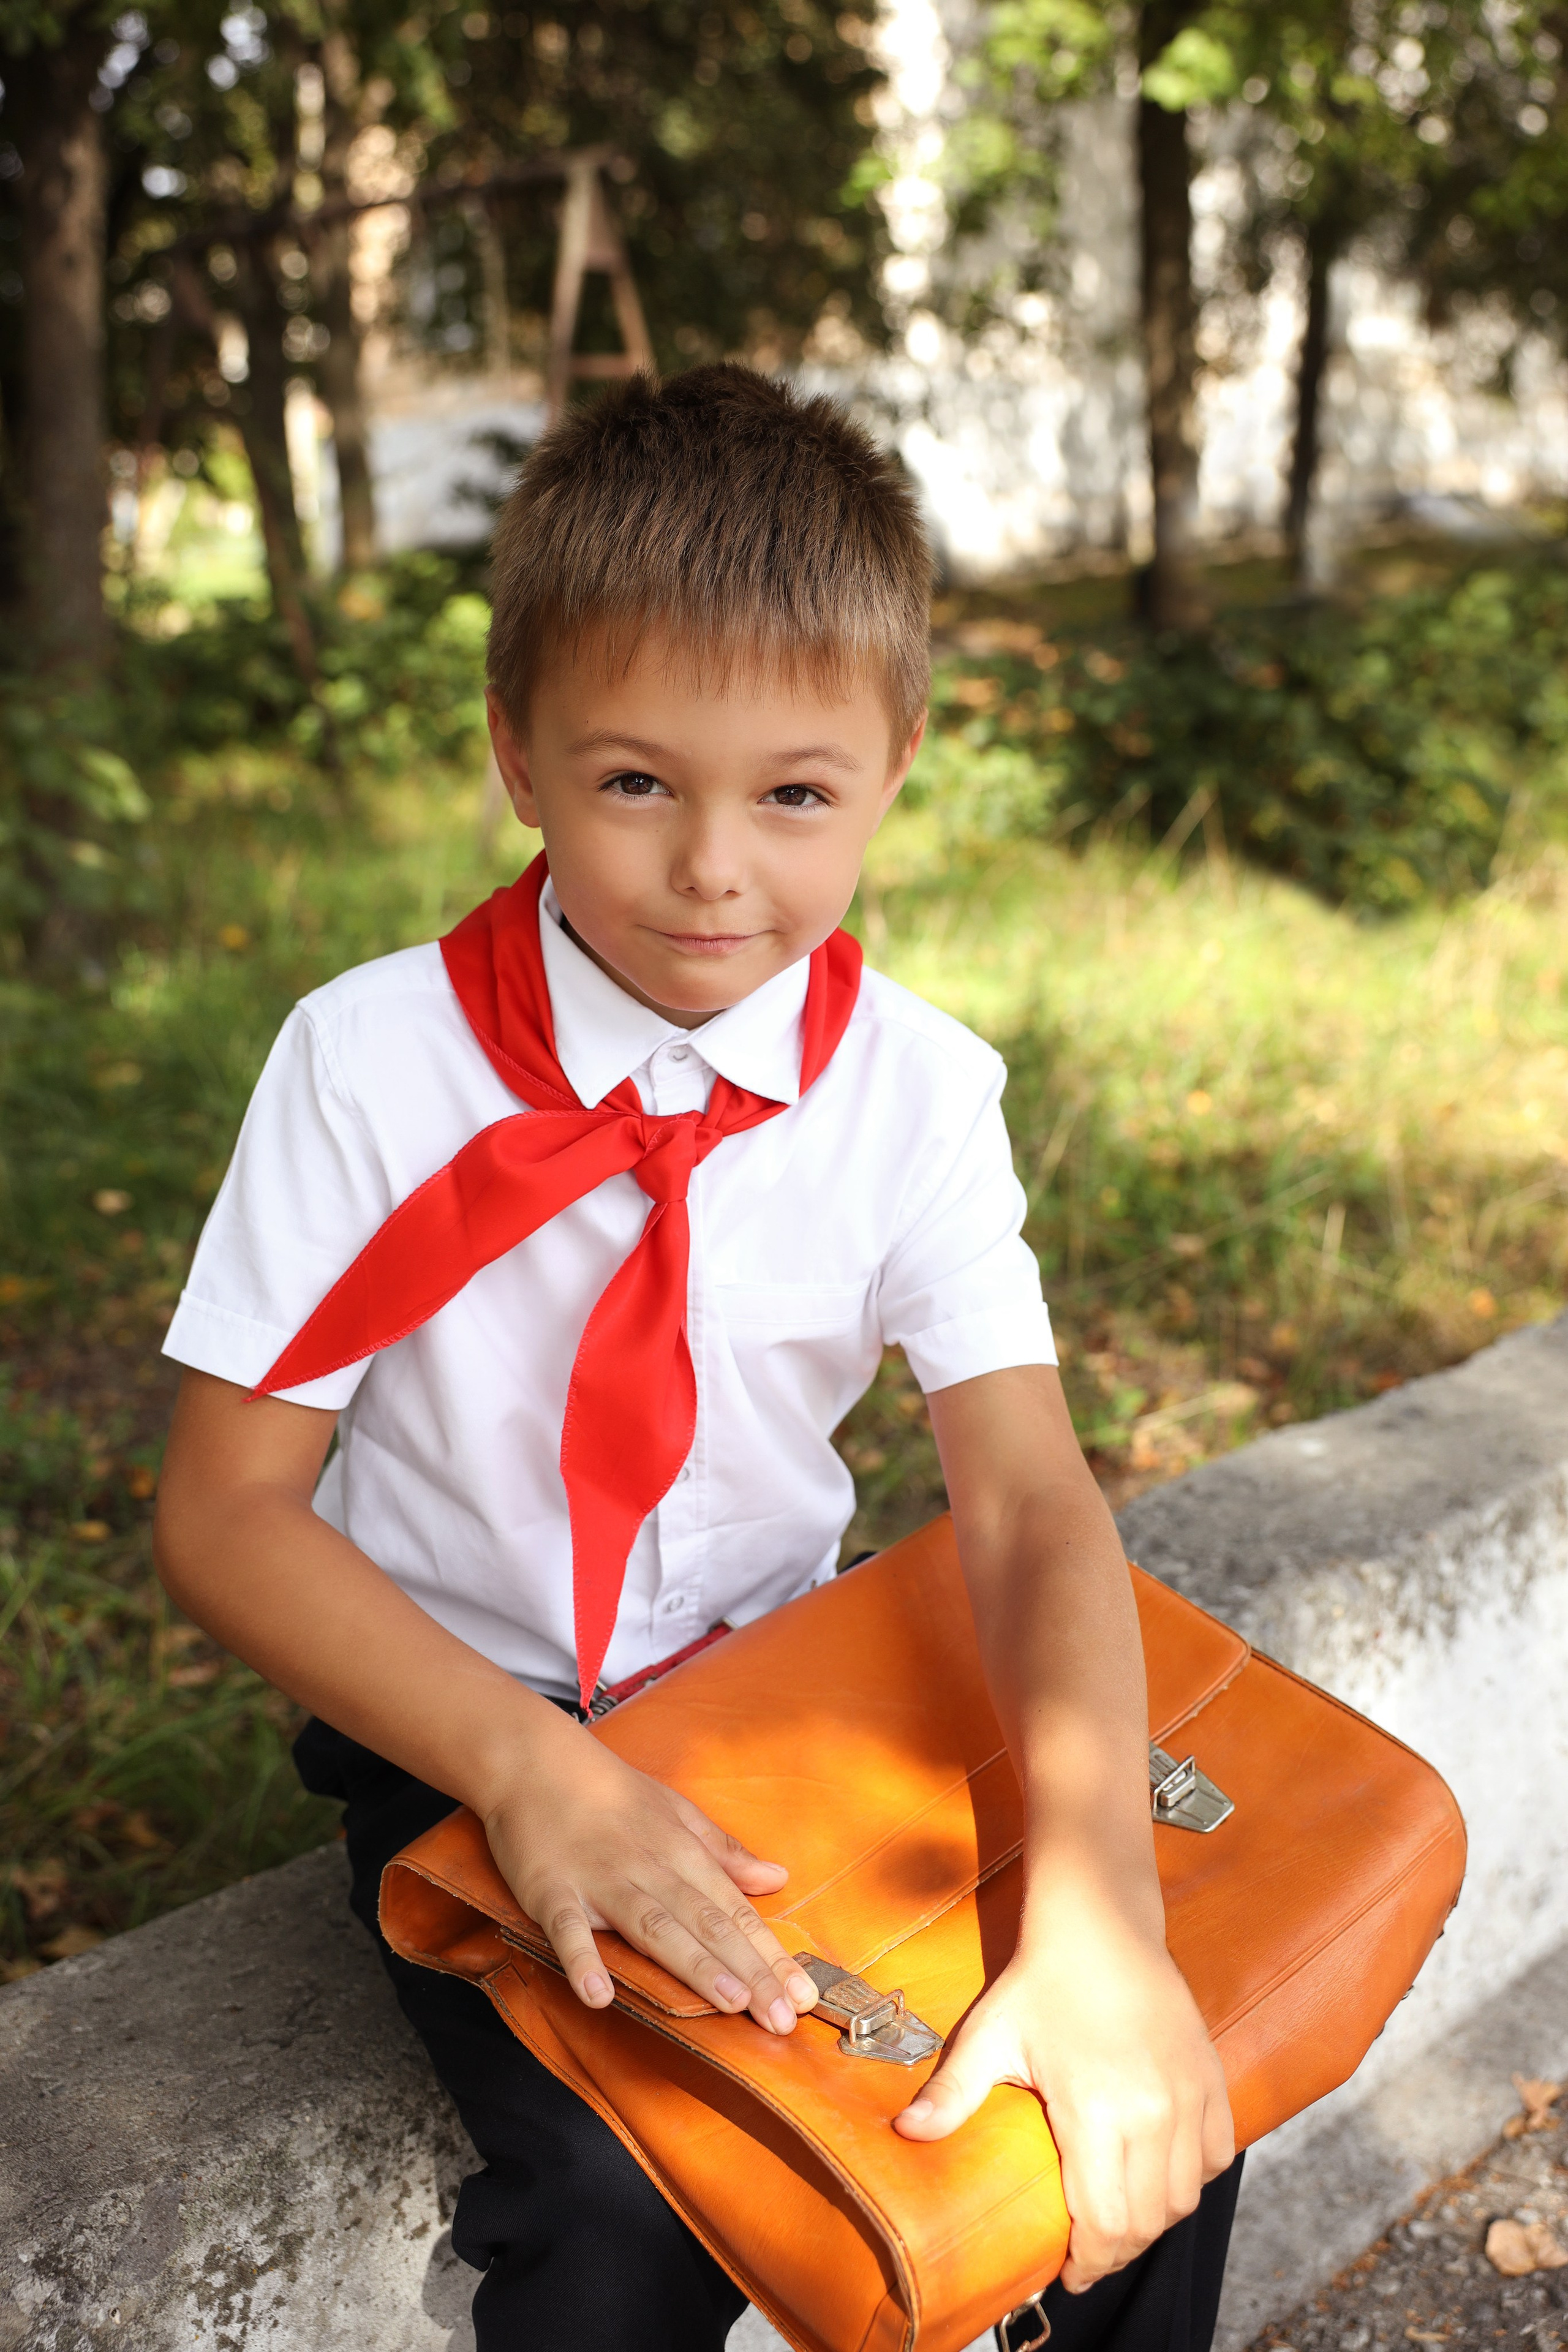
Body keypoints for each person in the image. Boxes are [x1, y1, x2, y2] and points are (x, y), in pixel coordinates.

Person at [153, 364, 1239, 2352]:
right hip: (456, 1724)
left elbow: (1024, 1503)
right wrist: (524, 1768)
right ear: (518, 750)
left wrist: (1099, 1908)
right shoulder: (372, 1062)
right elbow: (226, 1513)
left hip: (770, 1700)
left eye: (796, 795)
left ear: (898, 763)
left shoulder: (915, 1094)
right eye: (637, 782)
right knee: (616, 2207)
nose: (714, 871)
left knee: (1131, 2111)